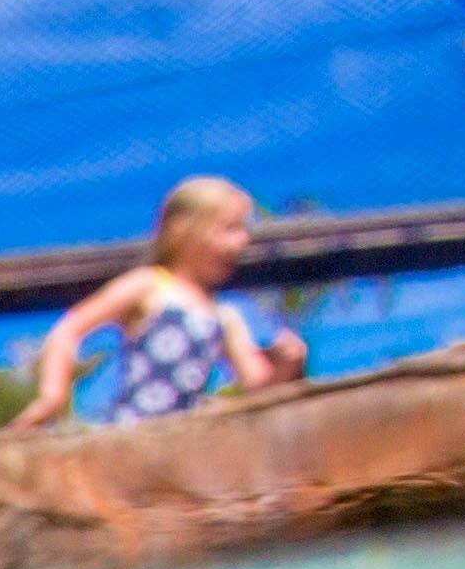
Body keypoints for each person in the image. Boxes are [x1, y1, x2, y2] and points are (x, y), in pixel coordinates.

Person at [16, 177, 311, 429]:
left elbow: (257, 387)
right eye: (229, 229)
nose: (242, 242)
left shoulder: (223, 316)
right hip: (130, 434)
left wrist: (287, 365)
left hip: (182, 443)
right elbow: (69, 329)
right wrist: (52, 396)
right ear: (181, 229)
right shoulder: (150, 285)